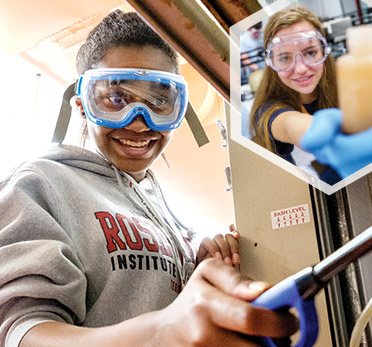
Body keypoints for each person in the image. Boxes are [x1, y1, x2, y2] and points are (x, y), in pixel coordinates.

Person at [0, 10, 296, 347]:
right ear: (82, 104)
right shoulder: (40, 184)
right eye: (116, 99)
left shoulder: (169, 216)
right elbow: (23, 335)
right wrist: (162, 331)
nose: (140, 122)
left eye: (158, 101)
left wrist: (195, 267)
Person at [250, 6, 372, 185]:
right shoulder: (266, 110)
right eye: (285, 58)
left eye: (310, 53)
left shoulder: (351, 80)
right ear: (270, 62)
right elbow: (288, 124)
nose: (300, 68)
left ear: (323, 50)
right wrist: (320, 131)